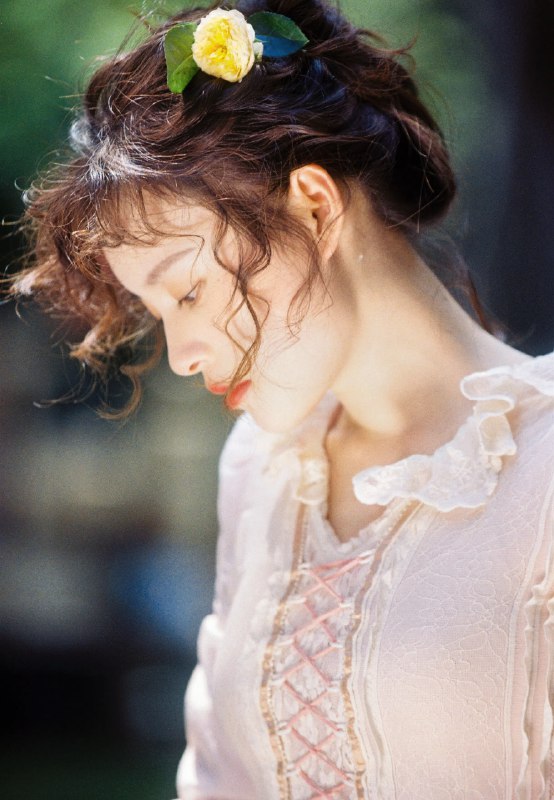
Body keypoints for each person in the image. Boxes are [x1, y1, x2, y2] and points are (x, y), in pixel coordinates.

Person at [10, 0, 554, 797]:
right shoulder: (262, 467)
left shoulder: (541, 470)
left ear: (315, 205)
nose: (183, 356)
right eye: (158, 314)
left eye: (188, 291)